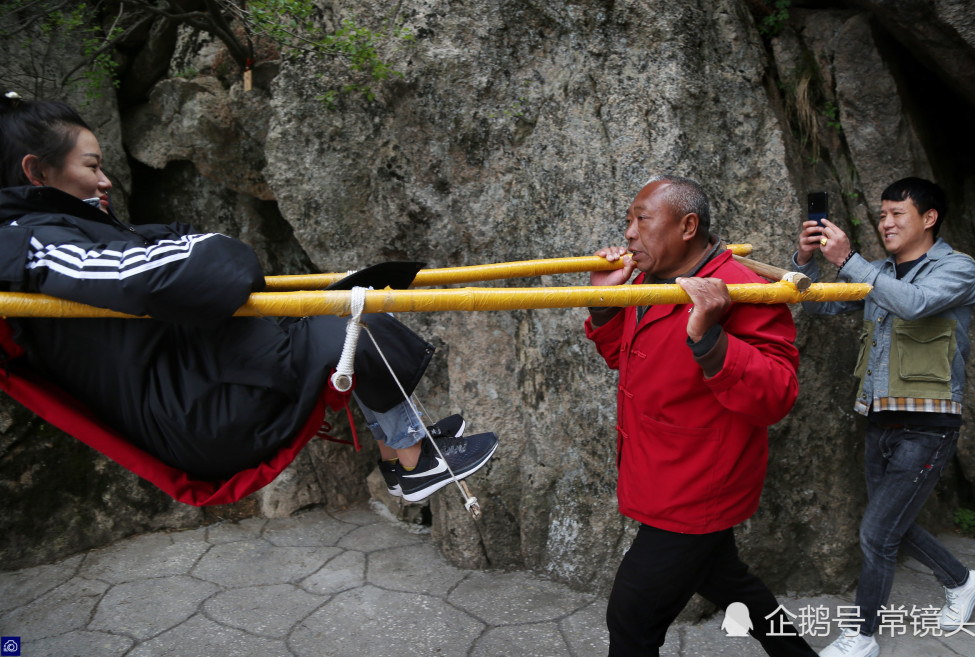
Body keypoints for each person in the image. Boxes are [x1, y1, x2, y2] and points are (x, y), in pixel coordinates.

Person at [0, 93, 497, 503]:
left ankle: (401, 455)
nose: (106, 181)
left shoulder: (66, 233)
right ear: (37, 173)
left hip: (199, 381)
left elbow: (173, 250)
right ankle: (413, 459)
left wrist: (203, 250)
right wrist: (217, 249)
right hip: (192, 409)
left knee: (353, 297)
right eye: (92, 166)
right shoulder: (29, 244)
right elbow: (168, 273)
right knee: (351, 322)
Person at [585, 175, 817, 657]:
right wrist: (606, 304)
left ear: (687, 225)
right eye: (629, 220)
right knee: (737, 591)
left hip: (697, 486)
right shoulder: (650, 281)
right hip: (658, 469)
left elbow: (777, 395)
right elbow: (627, 358)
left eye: (642, 219)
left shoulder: (743, 290)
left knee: (631, 616)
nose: (628, 233)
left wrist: (712, 341)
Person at [792, 177, 975, 657]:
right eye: (882, 215)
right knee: (887, 525)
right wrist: (805, 261)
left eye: (897, 214)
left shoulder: (957, 267)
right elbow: (819, 306)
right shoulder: (876, 270)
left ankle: (861, 637)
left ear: (928, 218)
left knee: (877, 531)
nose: (886, 223)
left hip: (929, 422)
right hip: (879, 417)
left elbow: (914, 304)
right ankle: (963, 581)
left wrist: (847, 260)